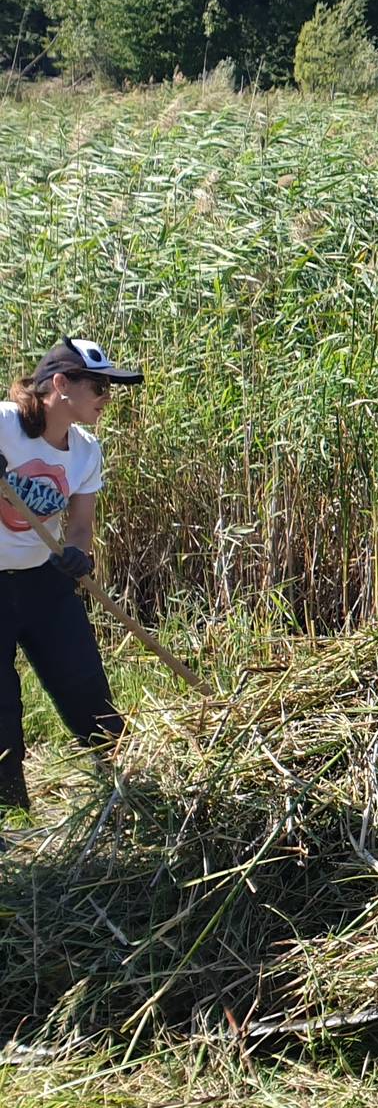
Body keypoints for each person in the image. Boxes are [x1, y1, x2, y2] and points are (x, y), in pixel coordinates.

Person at [0, 337, 143, 813]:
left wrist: (78, 556)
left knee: (86, 689)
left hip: (44, 583)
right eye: (99, 386)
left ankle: (126, 795)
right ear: (61, 384)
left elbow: (80, 527)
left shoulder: (85, 451)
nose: (106, 398)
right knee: (0, 713)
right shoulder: (4, 424)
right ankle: (10, 818)